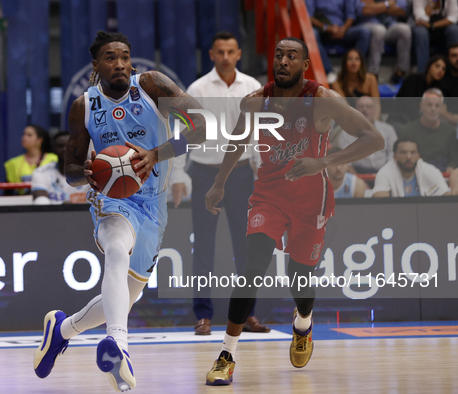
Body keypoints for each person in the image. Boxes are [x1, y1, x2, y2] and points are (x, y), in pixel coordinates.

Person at [203, 37, 384, 385]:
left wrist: (324, 161)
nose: (283, 61)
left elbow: (374, 138)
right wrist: (220, 182)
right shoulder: (255, 102)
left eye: (292, 56)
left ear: (305, 65)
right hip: (268, 196)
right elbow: (239, 140)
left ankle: (303, 323)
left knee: (298, 280)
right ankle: (227, 354)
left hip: (310, 200)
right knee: (252, 267)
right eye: (279, 55)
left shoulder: (323, 101)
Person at [33, 31, 206, 392]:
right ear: (96, 65)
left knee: (129, 295)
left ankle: (61, 330)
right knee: (115, 249)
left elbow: (202, 127)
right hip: (112, 199)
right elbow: (71, 170)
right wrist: (85, 173)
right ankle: (120, 348)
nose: (120, 64)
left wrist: (158, 153)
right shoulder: (84, 105)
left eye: (125, 56)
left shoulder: (152, 85)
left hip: (153, 203)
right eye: (111, 58)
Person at [169, 31, 269, 335]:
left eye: (230, 51)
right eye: (220, 52)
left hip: (241, 174)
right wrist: (177, 173)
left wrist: (262, 171)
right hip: (203, 173)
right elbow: (180, 131)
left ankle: (246, 315)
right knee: (203, 247)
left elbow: (261, 132)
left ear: (239, 54)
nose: (225, 57)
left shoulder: (252, 87)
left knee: (247, 248)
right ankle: (203, 315)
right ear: (211, 55)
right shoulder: (197, 88)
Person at [306, 0, 371, 82]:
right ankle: (329, 72)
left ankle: (351, 72)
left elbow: (350, 16)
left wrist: (343, 29)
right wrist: (327, 28)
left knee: (364, 32)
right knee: (312, 34)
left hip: (342, 30)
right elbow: (309, 16)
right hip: (322, 30)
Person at [398, 88, 458, 173]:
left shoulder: (451, 131)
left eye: (437, 106)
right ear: (421, 106)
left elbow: (455, 159)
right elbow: (401, 157)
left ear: (441, 108)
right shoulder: (407, 130)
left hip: (442, 173)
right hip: (416, 172)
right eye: (429, 105)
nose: (433, 109)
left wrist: (451, 167)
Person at [336, 96, 397, 173]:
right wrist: (359, 182)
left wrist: (385, 175)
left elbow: (393, 154)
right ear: (355, 110)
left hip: (384, 172)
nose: (364, 109)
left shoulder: (388, 130)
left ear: (374, 110)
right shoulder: (346, 132)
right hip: (357, 173)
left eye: (368, 107)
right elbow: (345, 160)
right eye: (361, 106)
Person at [356, 0, 411, 83]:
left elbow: (402, 11)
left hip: (390, 26)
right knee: (379, 30)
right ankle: (373, 73)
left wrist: (376, 6)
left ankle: (400, 72)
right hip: (369, 25)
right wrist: (387, 4)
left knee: (404, 29)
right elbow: (365, 10)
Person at [372, 138, 450, 196]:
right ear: (395, 156)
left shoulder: (430, 171)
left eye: (413, 152)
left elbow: (445, 196)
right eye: (403, 152)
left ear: (418, 156)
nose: (409, 157)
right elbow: (379, 198)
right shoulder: (385, 172)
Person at [31, 131, 90, 204]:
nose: (65, 149)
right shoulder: (41, 172)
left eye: (69, 146)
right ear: (53, 150)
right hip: (53, 215)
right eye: (60, 146)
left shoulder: (90, 171)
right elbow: (40, 202)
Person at [4, 125, 57, 194]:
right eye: (24, 134)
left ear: (39, 140)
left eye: (29, 135)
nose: (24, 138)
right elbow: (8, 193)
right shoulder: (13, 163)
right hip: (22, 201)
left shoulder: (53, 159)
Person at [412, 0, 458, 73]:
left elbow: (453, 18)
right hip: (423, 28)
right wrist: (431, 3)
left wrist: (432, 25)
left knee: (454, 29)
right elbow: (420, 19)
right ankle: (423, 74)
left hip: (442, 27)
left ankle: (454, 72)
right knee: (420, 32)